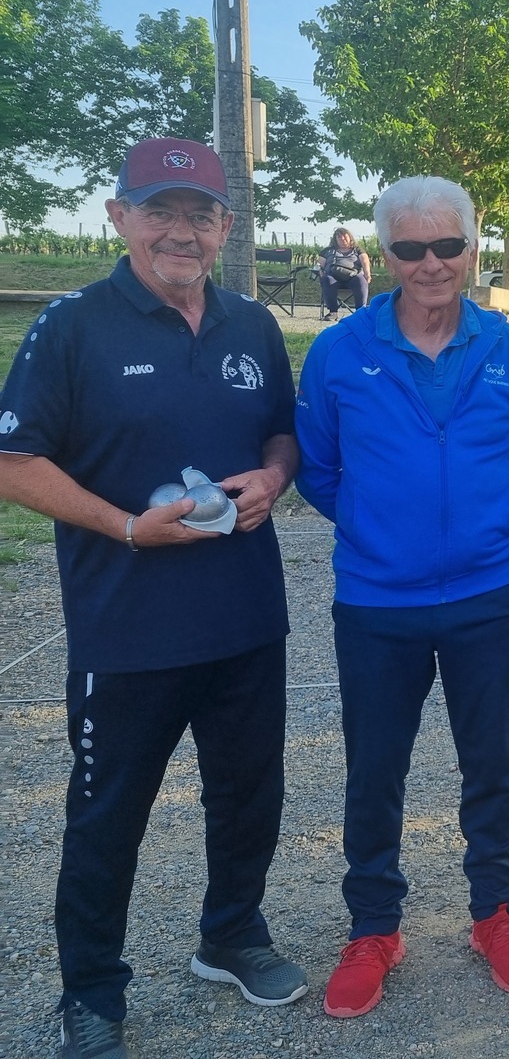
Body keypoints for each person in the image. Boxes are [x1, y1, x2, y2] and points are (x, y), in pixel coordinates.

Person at [0, 137, 306, 1059]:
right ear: (119, 217)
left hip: (245, 616)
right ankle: (92, 992)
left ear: (226, 226)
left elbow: (283, 433)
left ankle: (232, 935)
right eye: (160, 211)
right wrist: (127, 526)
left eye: (200, 214)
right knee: (108, 818)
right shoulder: (73, 325)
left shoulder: (252, 326)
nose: (182, 231)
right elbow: (14, 459)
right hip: (127, 626)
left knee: (248, 796)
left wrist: (273, 478)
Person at [296, 176, 509, 1017]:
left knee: (491, 761)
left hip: (486, 595)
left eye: (448, 245)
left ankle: (496, 911)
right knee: (375, 768)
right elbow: (319, 470)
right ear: (386, 254)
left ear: (471, 247)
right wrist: (381, 530)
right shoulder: (339, 351)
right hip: (378, 601)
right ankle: (374, 926)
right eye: (410, 247)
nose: (431, 263)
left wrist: (477, 529)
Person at [318, 227, 372, 320]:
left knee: (361, 279)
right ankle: (333, 312)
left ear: (350, 237)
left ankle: (360, 312)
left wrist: (367, 273)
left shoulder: (357, 250)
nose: (342, 239)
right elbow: (319, 265)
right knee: (326, 279)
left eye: (344, 236)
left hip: (352, 277)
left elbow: (365, 260)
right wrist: (320, 272)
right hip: (333, 278)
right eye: (339, 237)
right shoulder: (327, 251)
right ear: (335, 239)